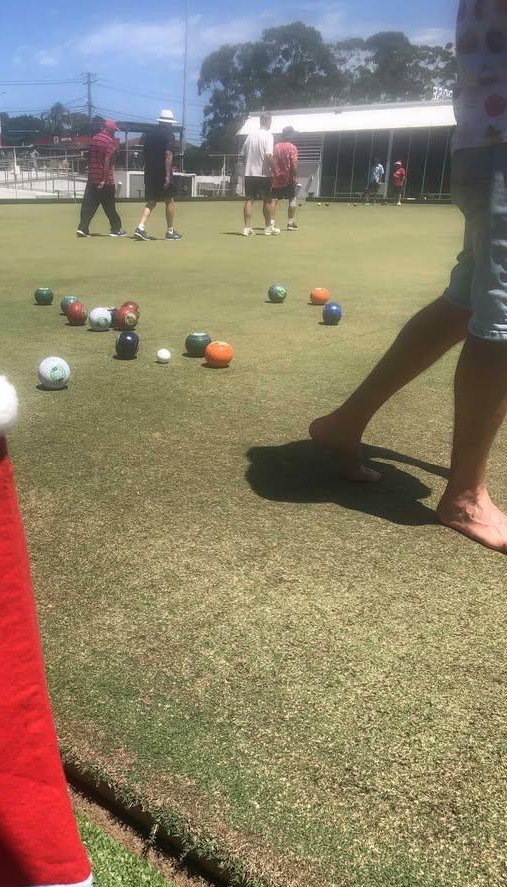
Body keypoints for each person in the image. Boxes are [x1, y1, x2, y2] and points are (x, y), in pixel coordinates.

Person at [309, 0, 507, 554]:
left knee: (467, 302)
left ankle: (344, 422)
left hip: (485, 136)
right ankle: (466, 496)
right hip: (501, 145)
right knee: (502, 314)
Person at [134, 109, 182, 240]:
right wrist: (167, 175)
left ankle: (140, 227)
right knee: (170, 200)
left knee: (151, 201)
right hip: (163, 171)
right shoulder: (169, 136)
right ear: (170, 123)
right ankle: (170, 231)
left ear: (160, 121)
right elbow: (168, 155)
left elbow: (144, 153)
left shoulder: (149, 134)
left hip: (149, 171)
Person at [76, 120, 125, 238]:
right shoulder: (108, 141)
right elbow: (107, 160)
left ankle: (83, 228)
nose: (115, 133)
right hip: (106, 180)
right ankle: (116, 229)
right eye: (114, 130)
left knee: (88, 205)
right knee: (110, 207)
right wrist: (103, 180)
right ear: (110, 129)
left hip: (92, 178)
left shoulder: (94, 139)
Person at [240, 113, 279, 236]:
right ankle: (268, 227)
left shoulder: (250, 135)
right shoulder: (269, 136)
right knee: (267, 201)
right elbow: (269, 155)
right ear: (269, 121)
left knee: (249, 200)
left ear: (260, 121)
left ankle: (247, 228)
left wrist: (247, 167)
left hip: (249, 174)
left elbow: (243, 154)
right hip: (263, 175)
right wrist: (275, 171)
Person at [271, 127, 299, 231]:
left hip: (276, 177)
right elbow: (294, 164)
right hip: (288, 178)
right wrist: (295, 176)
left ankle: (271, 224)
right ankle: (290, 223)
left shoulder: (275, 147)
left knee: (274, 199)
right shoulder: (292, 147)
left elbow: (272, 161)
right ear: (290, 136)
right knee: (292, 198)